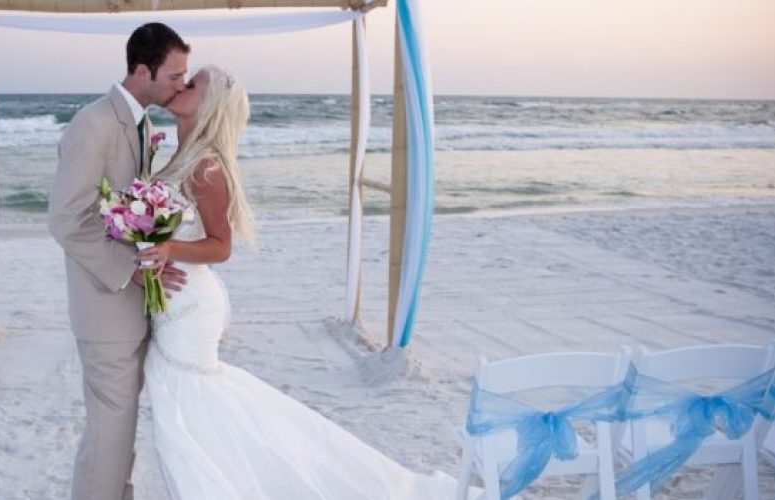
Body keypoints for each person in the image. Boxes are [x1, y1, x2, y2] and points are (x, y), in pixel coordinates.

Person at [136, 65, 474, 499]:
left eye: (193, 83)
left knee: (188, 408)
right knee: (194, 409)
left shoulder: (205, 165)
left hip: (190, 309)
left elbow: (221, 246)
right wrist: (152, 250)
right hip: (174, 301)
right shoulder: (178, 154)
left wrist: (167, 252)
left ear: (210, 105)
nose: (181, 86)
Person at [47, 22, 190, 500]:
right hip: (104, 308)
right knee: (110, 435)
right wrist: (132, 268)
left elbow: (131, 213)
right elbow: (68, 219)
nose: (180, 86)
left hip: (132, 308)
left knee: (120, 435)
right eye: (175, 75)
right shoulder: (95, 123)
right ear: (143, 70)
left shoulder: (144, 124)